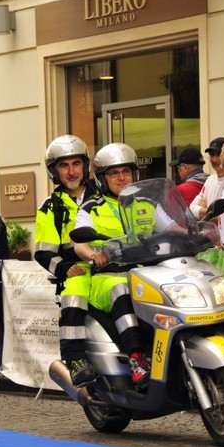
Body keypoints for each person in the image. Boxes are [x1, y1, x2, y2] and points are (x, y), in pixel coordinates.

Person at [73, 142, 151, 390]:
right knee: (122, 289)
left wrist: (198, 233)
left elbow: (173, 226)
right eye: (113, 173)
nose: (121, 177)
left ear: (134, 173)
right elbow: (79, 244)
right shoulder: (91, 207)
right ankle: (137, 359)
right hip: (107, 276)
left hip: (146, 272)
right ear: (103, 178)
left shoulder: (147, 203)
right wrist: (92, 255)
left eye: (125, 171)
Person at [34, 134, 97, 388]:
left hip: (112, 266)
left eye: (76, 164)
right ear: (54, 171)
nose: (71, 171)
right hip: (77, 270)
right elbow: (43, 252)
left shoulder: (103, 196)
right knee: (73, 300)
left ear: (85, 165)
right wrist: (64, 267)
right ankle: (75, 360)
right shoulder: (50, 207)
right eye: (64, 165)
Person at [190, 137, 224, 220]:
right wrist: (209, 212)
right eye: (212, 155)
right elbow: (192, 208)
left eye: (218, 154)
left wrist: (205, 212)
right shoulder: (210, 179)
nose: (215, 160)